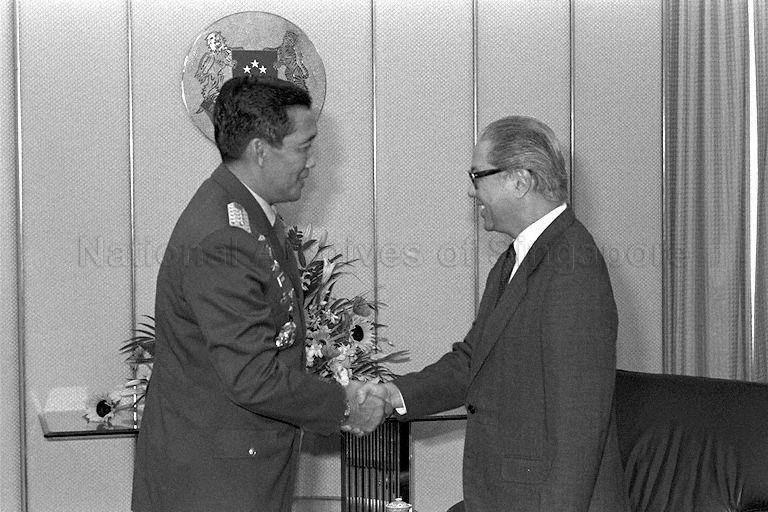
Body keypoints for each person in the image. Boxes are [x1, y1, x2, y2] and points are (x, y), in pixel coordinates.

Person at [132, 76, 385, 512]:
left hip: (235, 468)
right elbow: (252, 377)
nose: (313, 162)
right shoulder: (224, 237)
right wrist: (343, 404)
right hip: (214, 483)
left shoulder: (250, 218)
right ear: (260, 149)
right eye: (304, 146)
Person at [360, 116, 628, 511]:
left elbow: (579, 430)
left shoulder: (573, 267)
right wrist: (393, 395)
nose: (472, 193)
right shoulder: (516, 259)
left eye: (477, 176)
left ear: (520, 180)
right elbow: (474, 361)